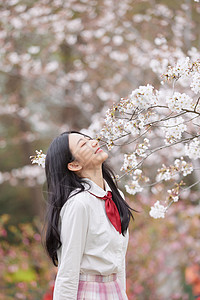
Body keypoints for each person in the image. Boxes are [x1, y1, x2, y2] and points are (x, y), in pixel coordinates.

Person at [43, 130, 138, 300]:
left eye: (89, 139)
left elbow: (119, 261)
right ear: (74, 165)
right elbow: (68, 270)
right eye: (83, 144)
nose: (94, 142)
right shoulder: (79, 204)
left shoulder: (117, 197)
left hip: (115, 291)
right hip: (88, 293)